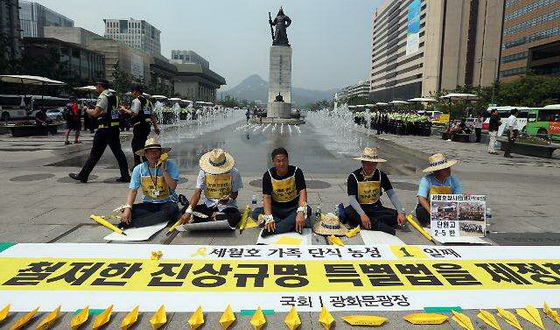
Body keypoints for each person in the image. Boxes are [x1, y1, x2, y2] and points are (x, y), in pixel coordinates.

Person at [69, 79, 130, 183]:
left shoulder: (103, 96)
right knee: (118, 153)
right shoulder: (115, 97)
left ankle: (83, 175)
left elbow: (95, 113)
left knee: (95, 153)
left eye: (97, 86)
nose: (96, 88)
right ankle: (125, 175)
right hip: (114, 128)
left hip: (104, 129)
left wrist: (86, 109)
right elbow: (112, 111)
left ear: (100, 86)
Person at [341, 147, 406, 235]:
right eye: (367, 163)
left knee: (396, 215)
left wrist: (400, 212)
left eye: (373, 164)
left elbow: (392, 194)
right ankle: (379, 225)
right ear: (362, 162)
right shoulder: (353, 176)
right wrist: (362, 214)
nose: (370, 166)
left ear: (376, 164)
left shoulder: (381, 175)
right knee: (349, 213)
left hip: (375, 208)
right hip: (358, 209)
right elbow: (352, 199)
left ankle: (371, 223)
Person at [120, 137, 179, 228]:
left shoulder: (170, 165)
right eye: (150, 152)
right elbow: (133, 190)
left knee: (173, 210)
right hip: (149, 204)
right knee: (127, 210)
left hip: (167, 203)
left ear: (161, 153)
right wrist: (128, 208)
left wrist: (164, 171)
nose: (153, 155)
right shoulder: (139, 169)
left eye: (156, 152)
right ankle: (156, 218)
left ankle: (137, 223)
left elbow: (173, 187)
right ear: (145, 154)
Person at [252, 148, 312, 237]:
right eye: (278, 161)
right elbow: (266, 197)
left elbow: (303, 192)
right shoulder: (268, 175)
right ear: (273, 162)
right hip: (276, 208)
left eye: (284, 160)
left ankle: (274, 229)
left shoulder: (296, 172)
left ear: (288, 160)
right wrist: (269, 217)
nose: (281, 164)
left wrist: (300, 212)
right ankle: (291, 226)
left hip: (293, 207)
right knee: (256, 212)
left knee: (308, 210)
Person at [179, 149, 243, 228]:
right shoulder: (203, 172)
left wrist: (228, 199)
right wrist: (189, 211)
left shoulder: (234, 172)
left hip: (227, 207)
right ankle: (215, 218)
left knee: (236, 217)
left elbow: (234, 193)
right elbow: (197, 193)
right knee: (184, 211)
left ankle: (206, 219)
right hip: (209, 206)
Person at [415, 153, 462, 226]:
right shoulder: (426, 180)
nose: (449, 170)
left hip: (448, 207)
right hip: (430, 208)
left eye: (448, 167)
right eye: (445, 169)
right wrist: (431, 211)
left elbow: (458, 196)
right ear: (437, 171)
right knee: (421, 211)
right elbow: (421, 198)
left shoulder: (453, 180)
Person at [120, 85, 160, 167]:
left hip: (139, 126)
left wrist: (124, 109)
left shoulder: (136, 101)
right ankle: (137, 163)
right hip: (146, 126)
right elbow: (152, 116)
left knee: (140, 145)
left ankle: (148, 164)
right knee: (135, 144)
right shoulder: (148, 102)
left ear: (136, 91)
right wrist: (156, 127)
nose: (132, 93)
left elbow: (134, 113)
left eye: (132, 91)